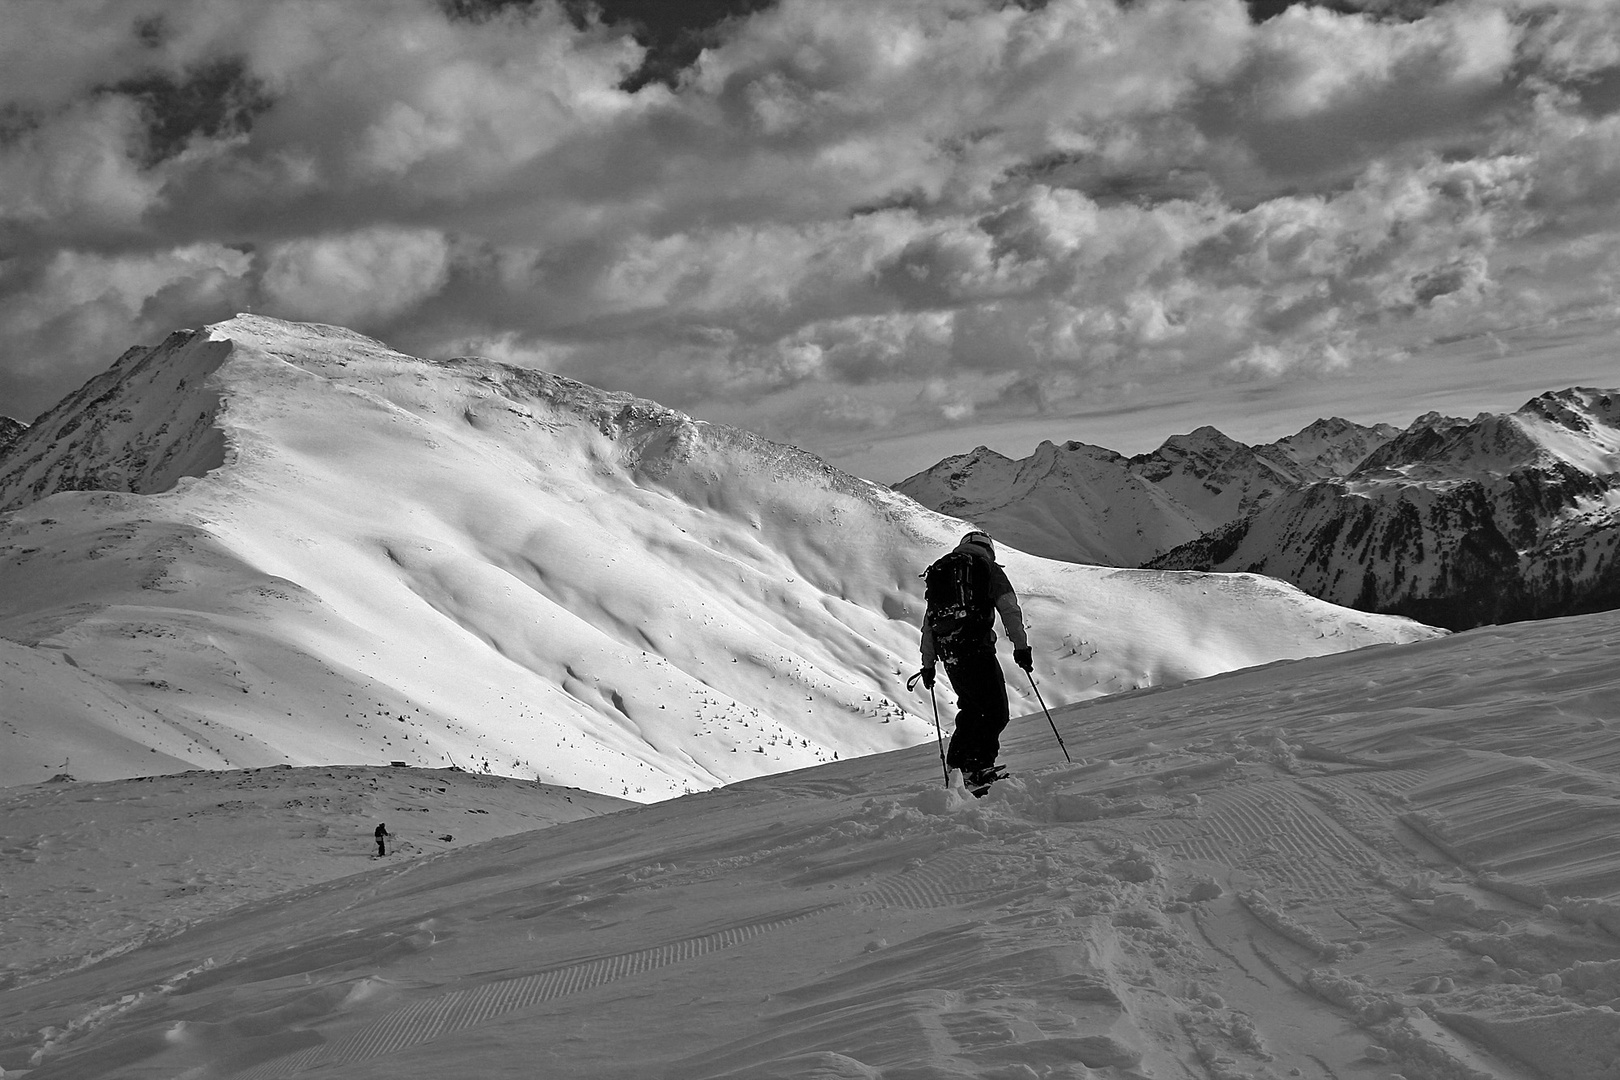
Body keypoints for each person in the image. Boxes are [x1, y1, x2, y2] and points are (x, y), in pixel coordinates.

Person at [919, 530, 1032, 786]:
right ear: (989, 549)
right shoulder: (987, 568)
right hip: (975, 648)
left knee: (971, 709)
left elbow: (929, 623)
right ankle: (978, 769)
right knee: (996, 712)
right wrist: (1021, 647)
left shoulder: (944, 571)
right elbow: (1009, 609)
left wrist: (928, 665)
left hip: (949, 653)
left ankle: (958, 767)